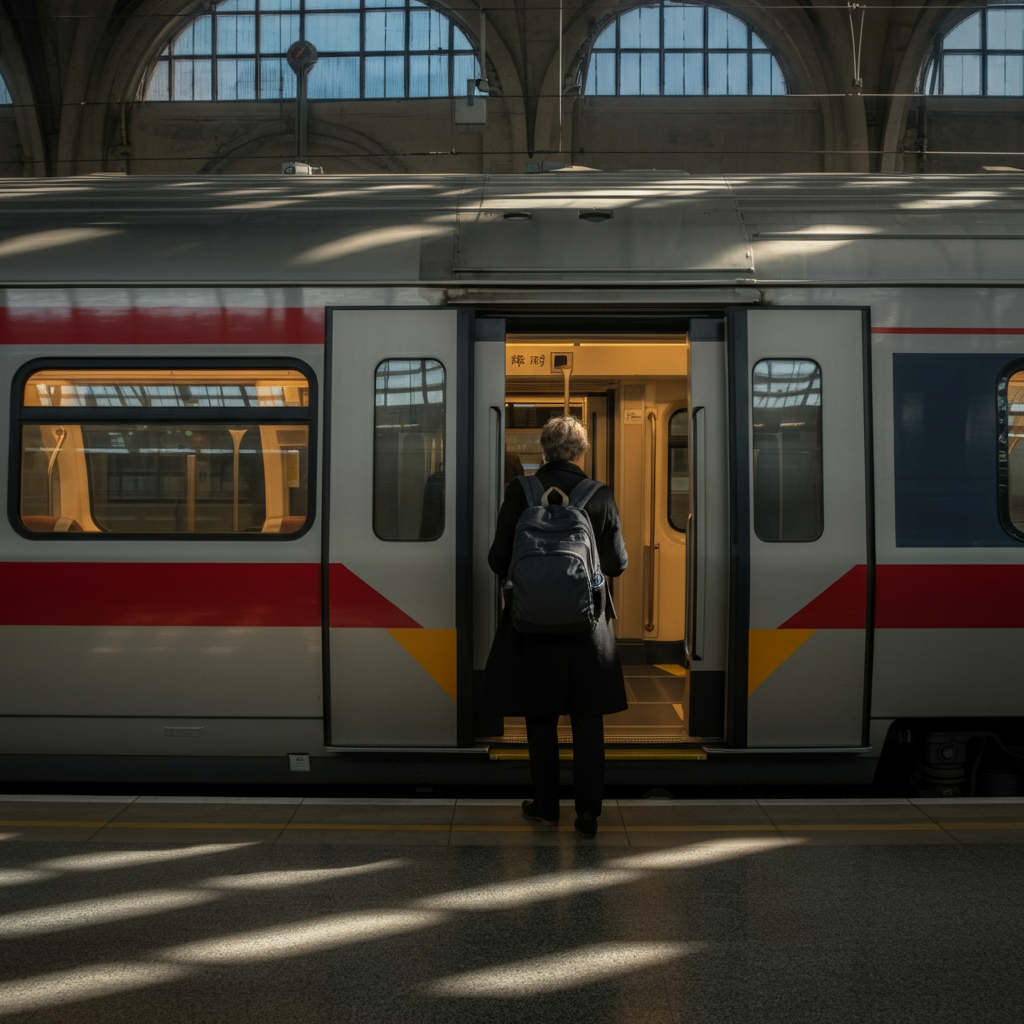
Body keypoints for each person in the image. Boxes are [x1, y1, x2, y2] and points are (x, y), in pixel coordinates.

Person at [484, 415, 628, 838]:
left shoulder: (520, 491)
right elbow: (618, 563)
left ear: (543, 450)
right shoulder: (599, 495)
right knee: (587, 721)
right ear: (581, 451)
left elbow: (496, 559)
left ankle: (547, 808)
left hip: (530, 625)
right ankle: (588, 816)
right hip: (588, 629)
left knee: (540, 719)